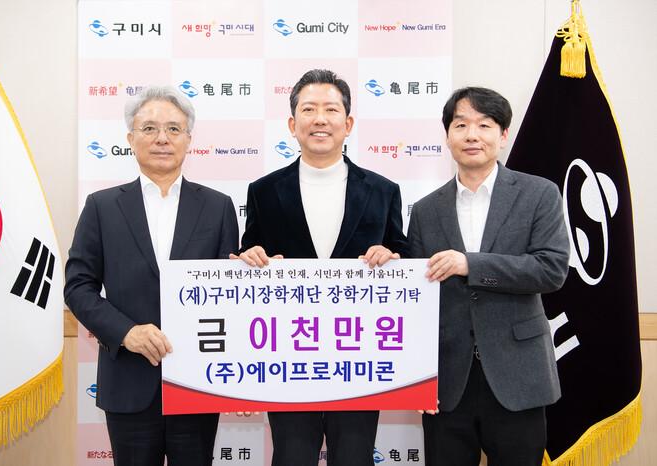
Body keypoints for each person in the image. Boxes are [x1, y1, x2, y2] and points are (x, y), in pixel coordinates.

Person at [233, 69, 408, 466]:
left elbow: (404, 257)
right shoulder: (263, 191)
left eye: (331, 109)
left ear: (348, 123)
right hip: (287, 356)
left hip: (359, 355)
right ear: (292, 124)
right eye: (308, 109)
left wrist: (391, 257)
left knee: (355, 457)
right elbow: (249, 257)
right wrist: (251, 258)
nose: (320, 119)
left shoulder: (383, 190)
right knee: (291, 457)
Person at [65, 85, 238, 466]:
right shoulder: (101, 207)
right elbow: (78, 286)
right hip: (128, 383)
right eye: (149, 128)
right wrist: (126, 332)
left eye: (174, 129)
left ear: (189, 139)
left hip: (197, 383)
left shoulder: (218, 207)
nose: (162, 138)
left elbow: (229, 297)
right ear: (131, 138)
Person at [407, 87, 570, 466]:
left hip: (518, 375)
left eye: (484, 125)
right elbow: (417, 301)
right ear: (448, 135)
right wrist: (416, 379)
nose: (472, 135)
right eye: (461, 125)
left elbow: (551, 269)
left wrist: (471, 265)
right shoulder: (427, 210)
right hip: (447, 382)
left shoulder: (539, 194)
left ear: (503, 135)